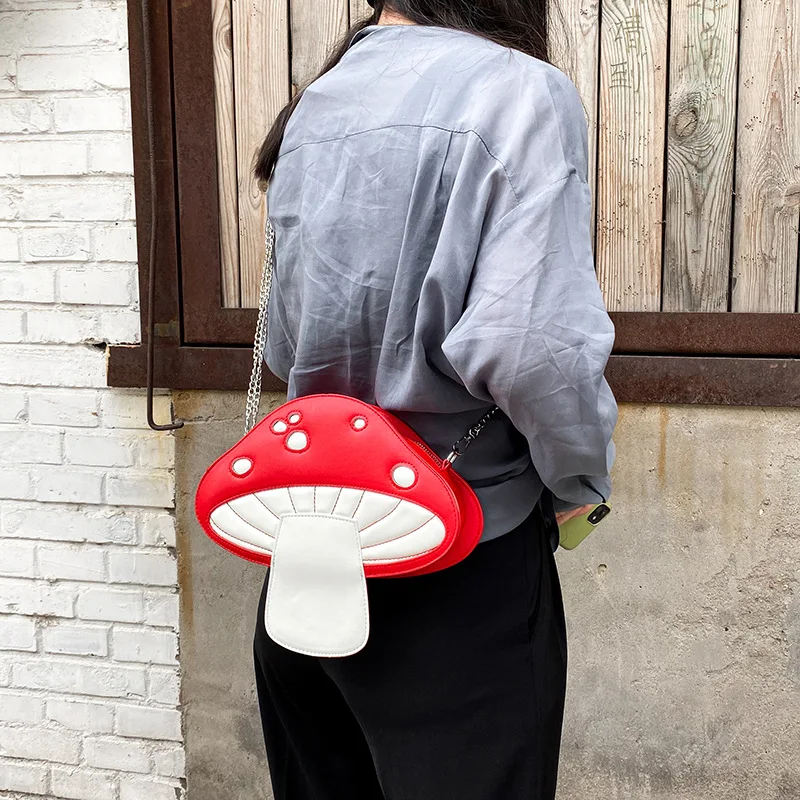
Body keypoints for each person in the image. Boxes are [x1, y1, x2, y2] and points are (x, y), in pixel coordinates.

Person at [252, 2, 617, 797]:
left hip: (307, 561)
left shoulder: (318, 100)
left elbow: (283, 344)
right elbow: (531, 351)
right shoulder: (520, 90)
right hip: (457, 570)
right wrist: (579, 484)